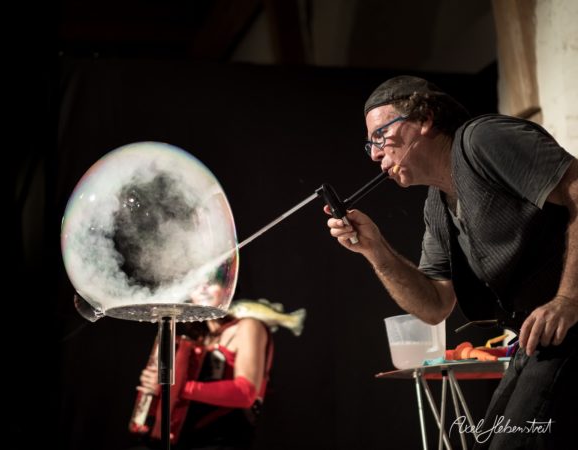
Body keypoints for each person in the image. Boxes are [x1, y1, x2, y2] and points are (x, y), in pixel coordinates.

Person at [326, 75, 577, 449]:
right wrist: (374, 249)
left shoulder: (483, 139)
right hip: (540, 337)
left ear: (425, 119)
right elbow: (434, 305)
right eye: (370, 144)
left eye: (381, 136)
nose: (375, 154)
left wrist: (568, 299)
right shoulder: (437, 205)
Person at [129, 293, 305, 450]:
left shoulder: (248, 326)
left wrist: (173, 387)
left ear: (229, 286)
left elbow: (246, 392)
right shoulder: (201, 338)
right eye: (197, 284)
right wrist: (154, 391)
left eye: (212, 281)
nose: (203, 288)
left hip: (224, 439)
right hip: (186, 438)